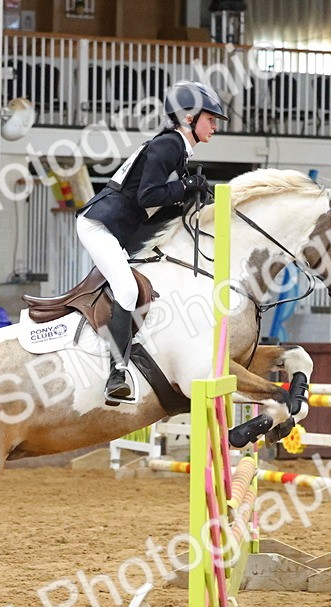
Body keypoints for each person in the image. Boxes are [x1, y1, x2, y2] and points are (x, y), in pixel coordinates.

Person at [77, 81, 228, 404]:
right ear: (189, 118)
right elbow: (148, 196)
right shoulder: (169, 145)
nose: (215, 126)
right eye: (210, 119)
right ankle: (117, 372)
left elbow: (157, 202)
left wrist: (191, 193)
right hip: (99, 225)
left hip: (117, 228)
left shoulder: (175, 148)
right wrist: (186, 187)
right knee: (127, 290)